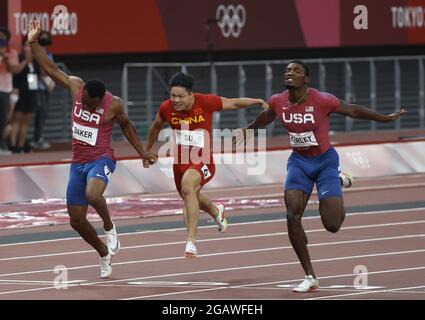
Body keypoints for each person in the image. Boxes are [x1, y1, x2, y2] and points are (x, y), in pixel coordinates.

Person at [243, 60, 406, 292]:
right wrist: (248, 129)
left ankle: (337, 180)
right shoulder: (278, 101)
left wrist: (385, 118)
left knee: (332, 225)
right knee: (292, 215)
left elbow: (352, 110)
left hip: (325, 162)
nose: (290, 73)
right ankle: (310, 275)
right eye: (287, 70)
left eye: (296, 71)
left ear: (306, 79)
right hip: (299, 163)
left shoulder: (321, 100)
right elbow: (267, 117)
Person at [28, 19, 157, 278]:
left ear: (100, 100)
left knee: (93, 195)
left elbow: (127, 126)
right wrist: (32, 42)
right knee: (76, 220)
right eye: (83, 102)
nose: (84, 106)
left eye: (89, 104)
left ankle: (110, 227)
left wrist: (142, 152)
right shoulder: (77, 87)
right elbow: (51, 69)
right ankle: (102, 252)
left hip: (101, 158)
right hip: (78, 162)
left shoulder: (114, 105)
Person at [143, 72, 269, 257]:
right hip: (180, 162)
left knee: (188, 187)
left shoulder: (205, 102)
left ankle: (191, 242)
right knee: (189, 195)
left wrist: (257, 101)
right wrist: (146, 151)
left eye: (180, 96)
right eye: (173, 96)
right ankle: (215, 210)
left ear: (191, 94)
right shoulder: (166, 108)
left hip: (203, 160)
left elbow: (233, 102)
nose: (176, 100)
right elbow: (155, 127)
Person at [0, 27, 29, 155]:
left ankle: (2, 145)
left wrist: (5, 58)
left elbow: (15, 70)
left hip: (5, 89)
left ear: (6, 39)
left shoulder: (11, 53)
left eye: (2, 38)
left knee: (3, 119)